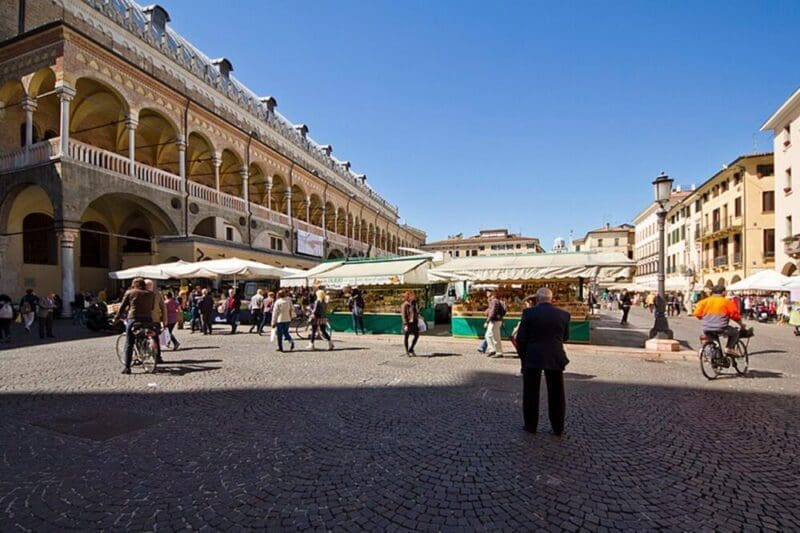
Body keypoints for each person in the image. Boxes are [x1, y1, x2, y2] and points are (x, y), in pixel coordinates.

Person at [515, 287, 570, 436]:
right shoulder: (564, 315)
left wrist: (523, 358)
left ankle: (531, 426)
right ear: (551, 299)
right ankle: (558, 427)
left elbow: (521, 339)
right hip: (555, 355)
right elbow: (565, 337)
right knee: (557, 393)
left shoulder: (528, 313)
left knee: (531, 392)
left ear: (537, 299)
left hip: (533, 355)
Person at [113, 278, 155, 375]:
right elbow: (152, 307)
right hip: (148, 320)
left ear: (134, 284)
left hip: (134, 319)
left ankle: (127, 367)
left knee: (129, 342)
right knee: (146, 334)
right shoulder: (150, 294)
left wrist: (116, 318)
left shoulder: (130, 292)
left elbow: (122, 307)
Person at [693, 284, 744, 356]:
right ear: (723, 292)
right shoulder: (726, 302)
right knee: (735, 333)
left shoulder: (704, 302)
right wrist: (742, 325)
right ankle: (729, 348)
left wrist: (707, 318)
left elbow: (696, 313)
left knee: (713, 343)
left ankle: (714, 362)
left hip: (706, 328)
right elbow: (735, 316)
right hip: (721, 328)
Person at [145, 279, 167, 363]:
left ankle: (156, 356)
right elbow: (163, 308)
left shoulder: (157, 294)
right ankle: (156, 357)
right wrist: (164, 320)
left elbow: (163, 307)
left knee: (154, 338)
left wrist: (165, 320)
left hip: (149, 320)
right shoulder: (156, 294)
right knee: (154, 338)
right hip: (152, 320)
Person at [484, 290, 505, 357]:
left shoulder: (494, 301)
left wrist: (487, 321)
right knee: (488, 335)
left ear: (492, 293)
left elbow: (493, 311)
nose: (487, 293)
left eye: (488, 291)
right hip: (494, 320)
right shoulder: (492, 301)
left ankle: (499, 352)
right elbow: (491, 310)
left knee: (496, 337)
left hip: (495, 321)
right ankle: (492, 350)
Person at [400, 291, 420, 356]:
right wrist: (405, 324)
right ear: (408, 297)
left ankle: (411, 348)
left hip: (414, 323)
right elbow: (403, 316)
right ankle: (407, 351)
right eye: (412, 295)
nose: (413, 296)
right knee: (406, 337)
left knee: (416, 335)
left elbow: (416, 312)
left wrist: (419, 316)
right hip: (408, 323)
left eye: (413, 295)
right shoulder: (404, 305)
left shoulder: (414, 304)